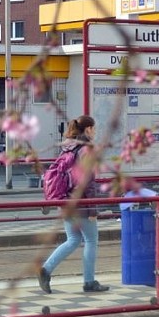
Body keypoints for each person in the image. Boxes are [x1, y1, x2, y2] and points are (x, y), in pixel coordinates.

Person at [37, 115, 109, 294]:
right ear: (88, 129)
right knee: (91, 240)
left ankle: (45, 270)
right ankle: (89, 282)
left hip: (66, 201)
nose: (96, 131)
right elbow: (88, 181)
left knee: (73, 239)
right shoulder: (86, 150)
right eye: (94, 128)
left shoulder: (68, 147)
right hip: (81, 203)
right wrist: (93, 208)